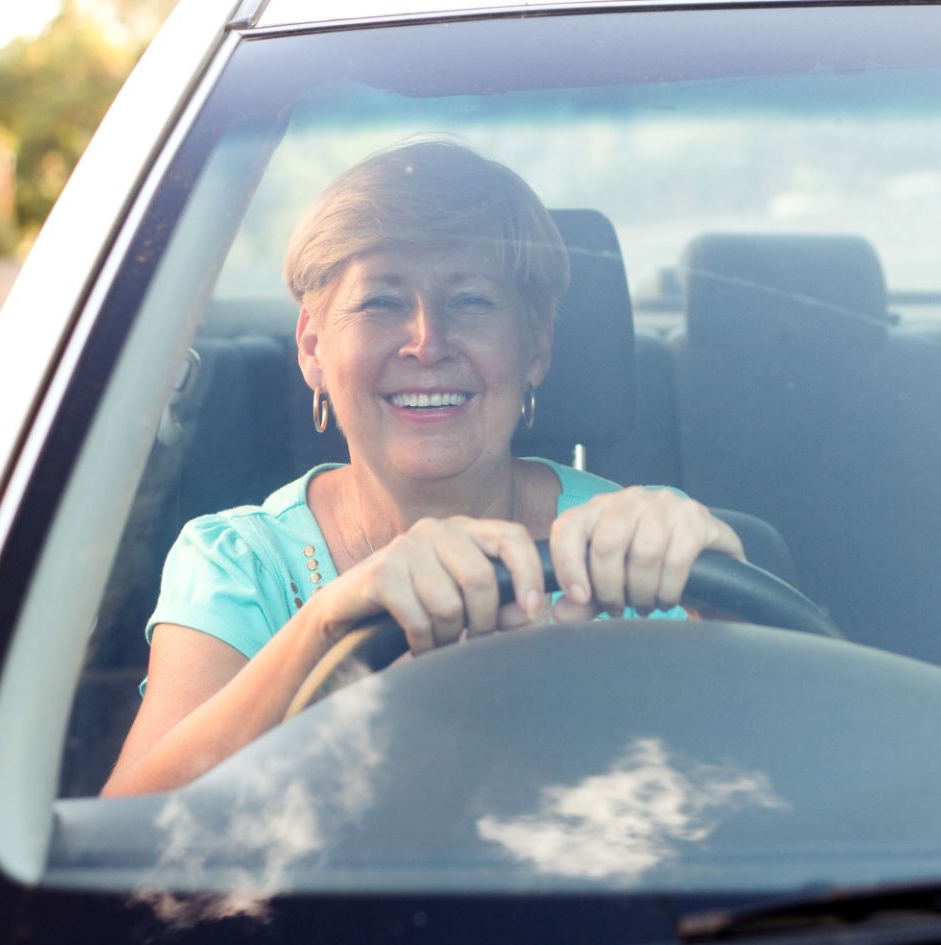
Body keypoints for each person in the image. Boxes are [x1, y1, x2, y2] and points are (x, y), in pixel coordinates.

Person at [102, 140, 744, 797]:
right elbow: (129, 823)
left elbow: (761, 791)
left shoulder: (642, 548)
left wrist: (723, 614)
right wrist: (327, 624)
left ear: (537, 347)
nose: (427, 343)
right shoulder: (239, 563)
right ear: (313, 348)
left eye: (470, 302)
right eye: (381, 302)